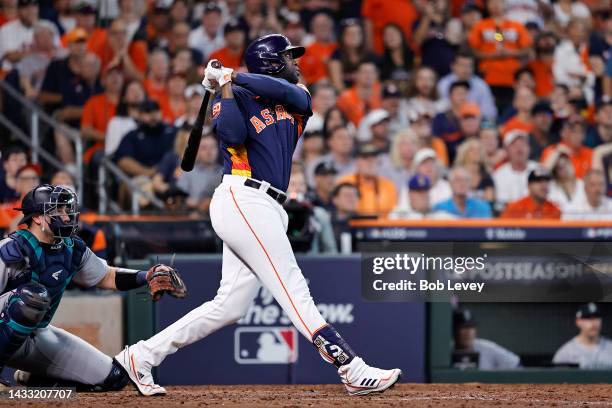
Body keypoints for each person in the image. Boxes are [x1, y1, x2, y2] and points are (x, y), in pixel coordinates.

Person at [114, 34, 401, 397]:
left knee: (229, 306)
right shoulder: (236, 96)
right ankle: (351, 367)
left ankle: (141, 356)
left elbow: (294, 95)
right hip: (242, 199)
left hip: (269, 207)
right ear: (269, 60)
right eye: (288, 57)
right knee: (294, 288)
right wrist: (226, 89)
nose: (296, 62)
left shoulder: (296, 96)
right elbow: (232, 134)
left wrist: (231, 76)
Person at [0, 184, 182, 389]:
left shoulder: (71, 249)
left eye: (66, 209)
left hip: (34, 335)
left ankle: (34, 376)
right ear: (37, 217)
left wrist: (146, 276)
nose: (66, 216)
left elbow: (107, 277)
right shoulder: (11, 250)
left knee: (113, 378)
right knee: (32, 298)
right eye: (57, 210)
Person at [468, 0, 533, 112]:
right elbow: (472, 51)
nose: (495, 5)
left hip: (512, 78)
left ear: (504, 4)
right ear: (487, 6)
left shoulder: (516, 25)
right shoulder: (480, 26)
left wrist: (510, 53)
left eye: (498, 2)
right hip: (488, 77)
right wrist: (491, 55)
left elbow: (527, 49)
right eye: (492, 3)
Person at [336, 144, 398, 217]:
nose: (370, 162)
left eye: (373, 157)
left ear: (378, 161)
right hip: (352, 226)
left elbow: (393, 214)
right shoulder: (345, 182)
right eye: (365, 158)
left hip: (382, 227)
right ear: (357, 162)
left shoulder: (388, 186)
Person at [437, 50, 497, 120]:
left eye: (469, 66)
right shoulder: (443, 84)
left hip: (474, 123)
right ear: (453, 66)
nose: (466, 69)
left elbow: (490, 113)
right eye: (462, 65)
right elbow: (440, 109)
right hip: (449, 122)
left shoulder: (481, 86)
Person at [453, 309, 521, 370]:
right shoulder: (447, 350)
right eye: (464, 327)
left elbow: (516, 364)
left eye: (471, 327)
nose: (469, 332)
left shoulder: (487, 348)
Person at [552, 303, 612, 369]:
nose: (593, 322)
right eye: (588, 318)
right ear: (578, 321)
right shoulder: (565, 353)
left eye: (597, 317)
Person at [175, 134, 223, 214]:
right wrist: (192, 203)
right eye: (204, 148)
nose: (209, 152)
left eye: (212, 147)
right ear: (197, 151)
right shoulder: (188, 173)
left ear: (218, 149)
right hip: (193, 218)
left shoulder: (226, 173)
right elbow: (179, 198)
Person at [493, 130, 539, 210]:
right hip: (509, 218)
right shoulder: (499, 174)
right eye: (514, 145)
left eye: (523, 144)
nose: (519, 149)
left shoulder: (539, 170)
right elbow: (500, 205)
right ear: (506, 150)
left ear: (529, 148)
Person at [541, 114, 593, 179]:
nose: (578, 135)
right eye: (573, 131)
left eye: (581, 131)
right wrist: (557, 153)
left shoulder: (589, 153)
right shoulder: (552, 151)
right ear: (563, 133)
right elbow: (542, 176)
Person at [390, 174, 454, 220]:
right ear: (410, 194)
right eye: (419, 191)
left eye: (425, 191)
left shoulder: (439, 213)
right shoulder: (399, 214)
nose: (423, 195)